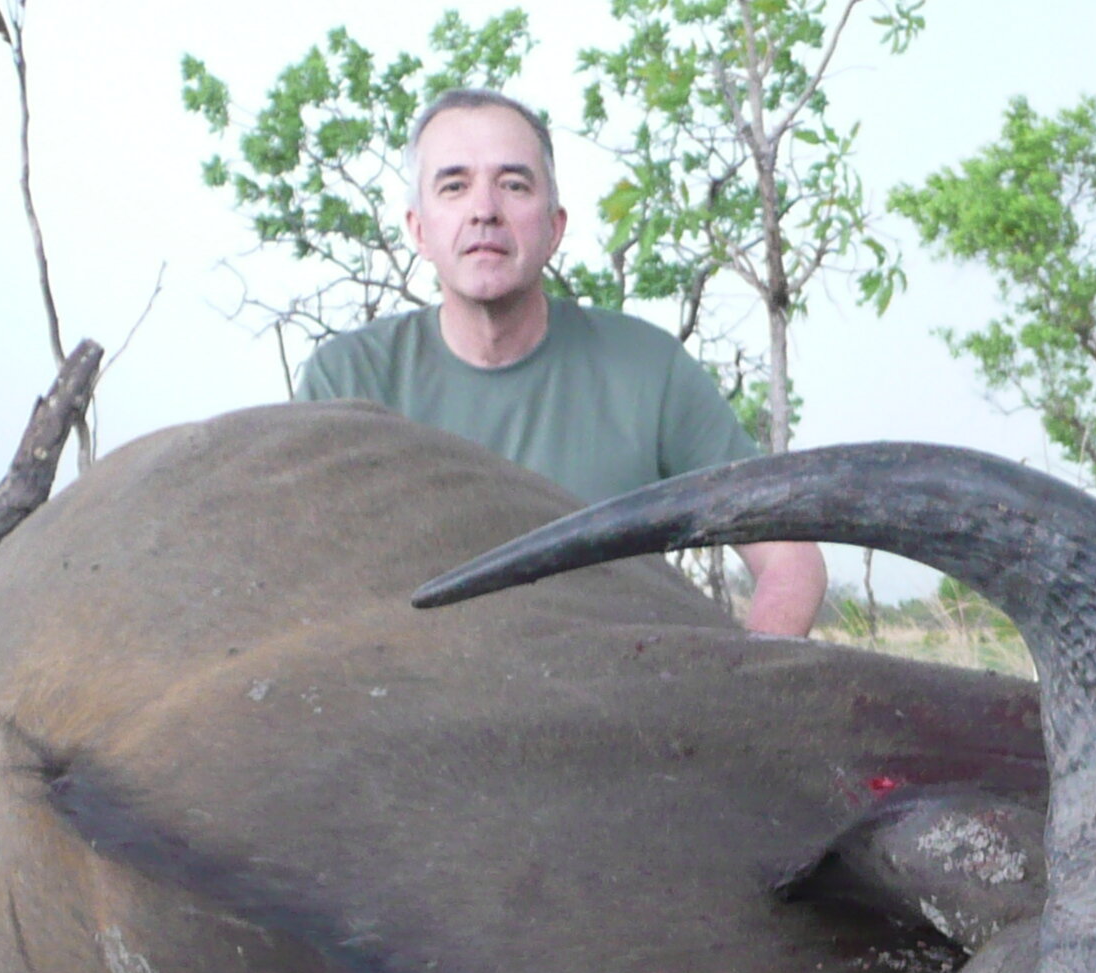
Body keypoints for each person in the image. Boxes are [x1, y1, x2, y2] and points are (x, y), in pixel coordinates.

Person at [296, 89, 827, 637]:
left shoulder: (648, 369)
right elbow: (299, 585)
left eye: (514, 184)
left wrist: (742, 689)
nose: (484, 210)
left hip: (619, 698)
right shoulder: (345, 381)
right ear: (418, 229)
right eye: (454, 186)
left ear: (554, 227)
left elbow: (790, 558)